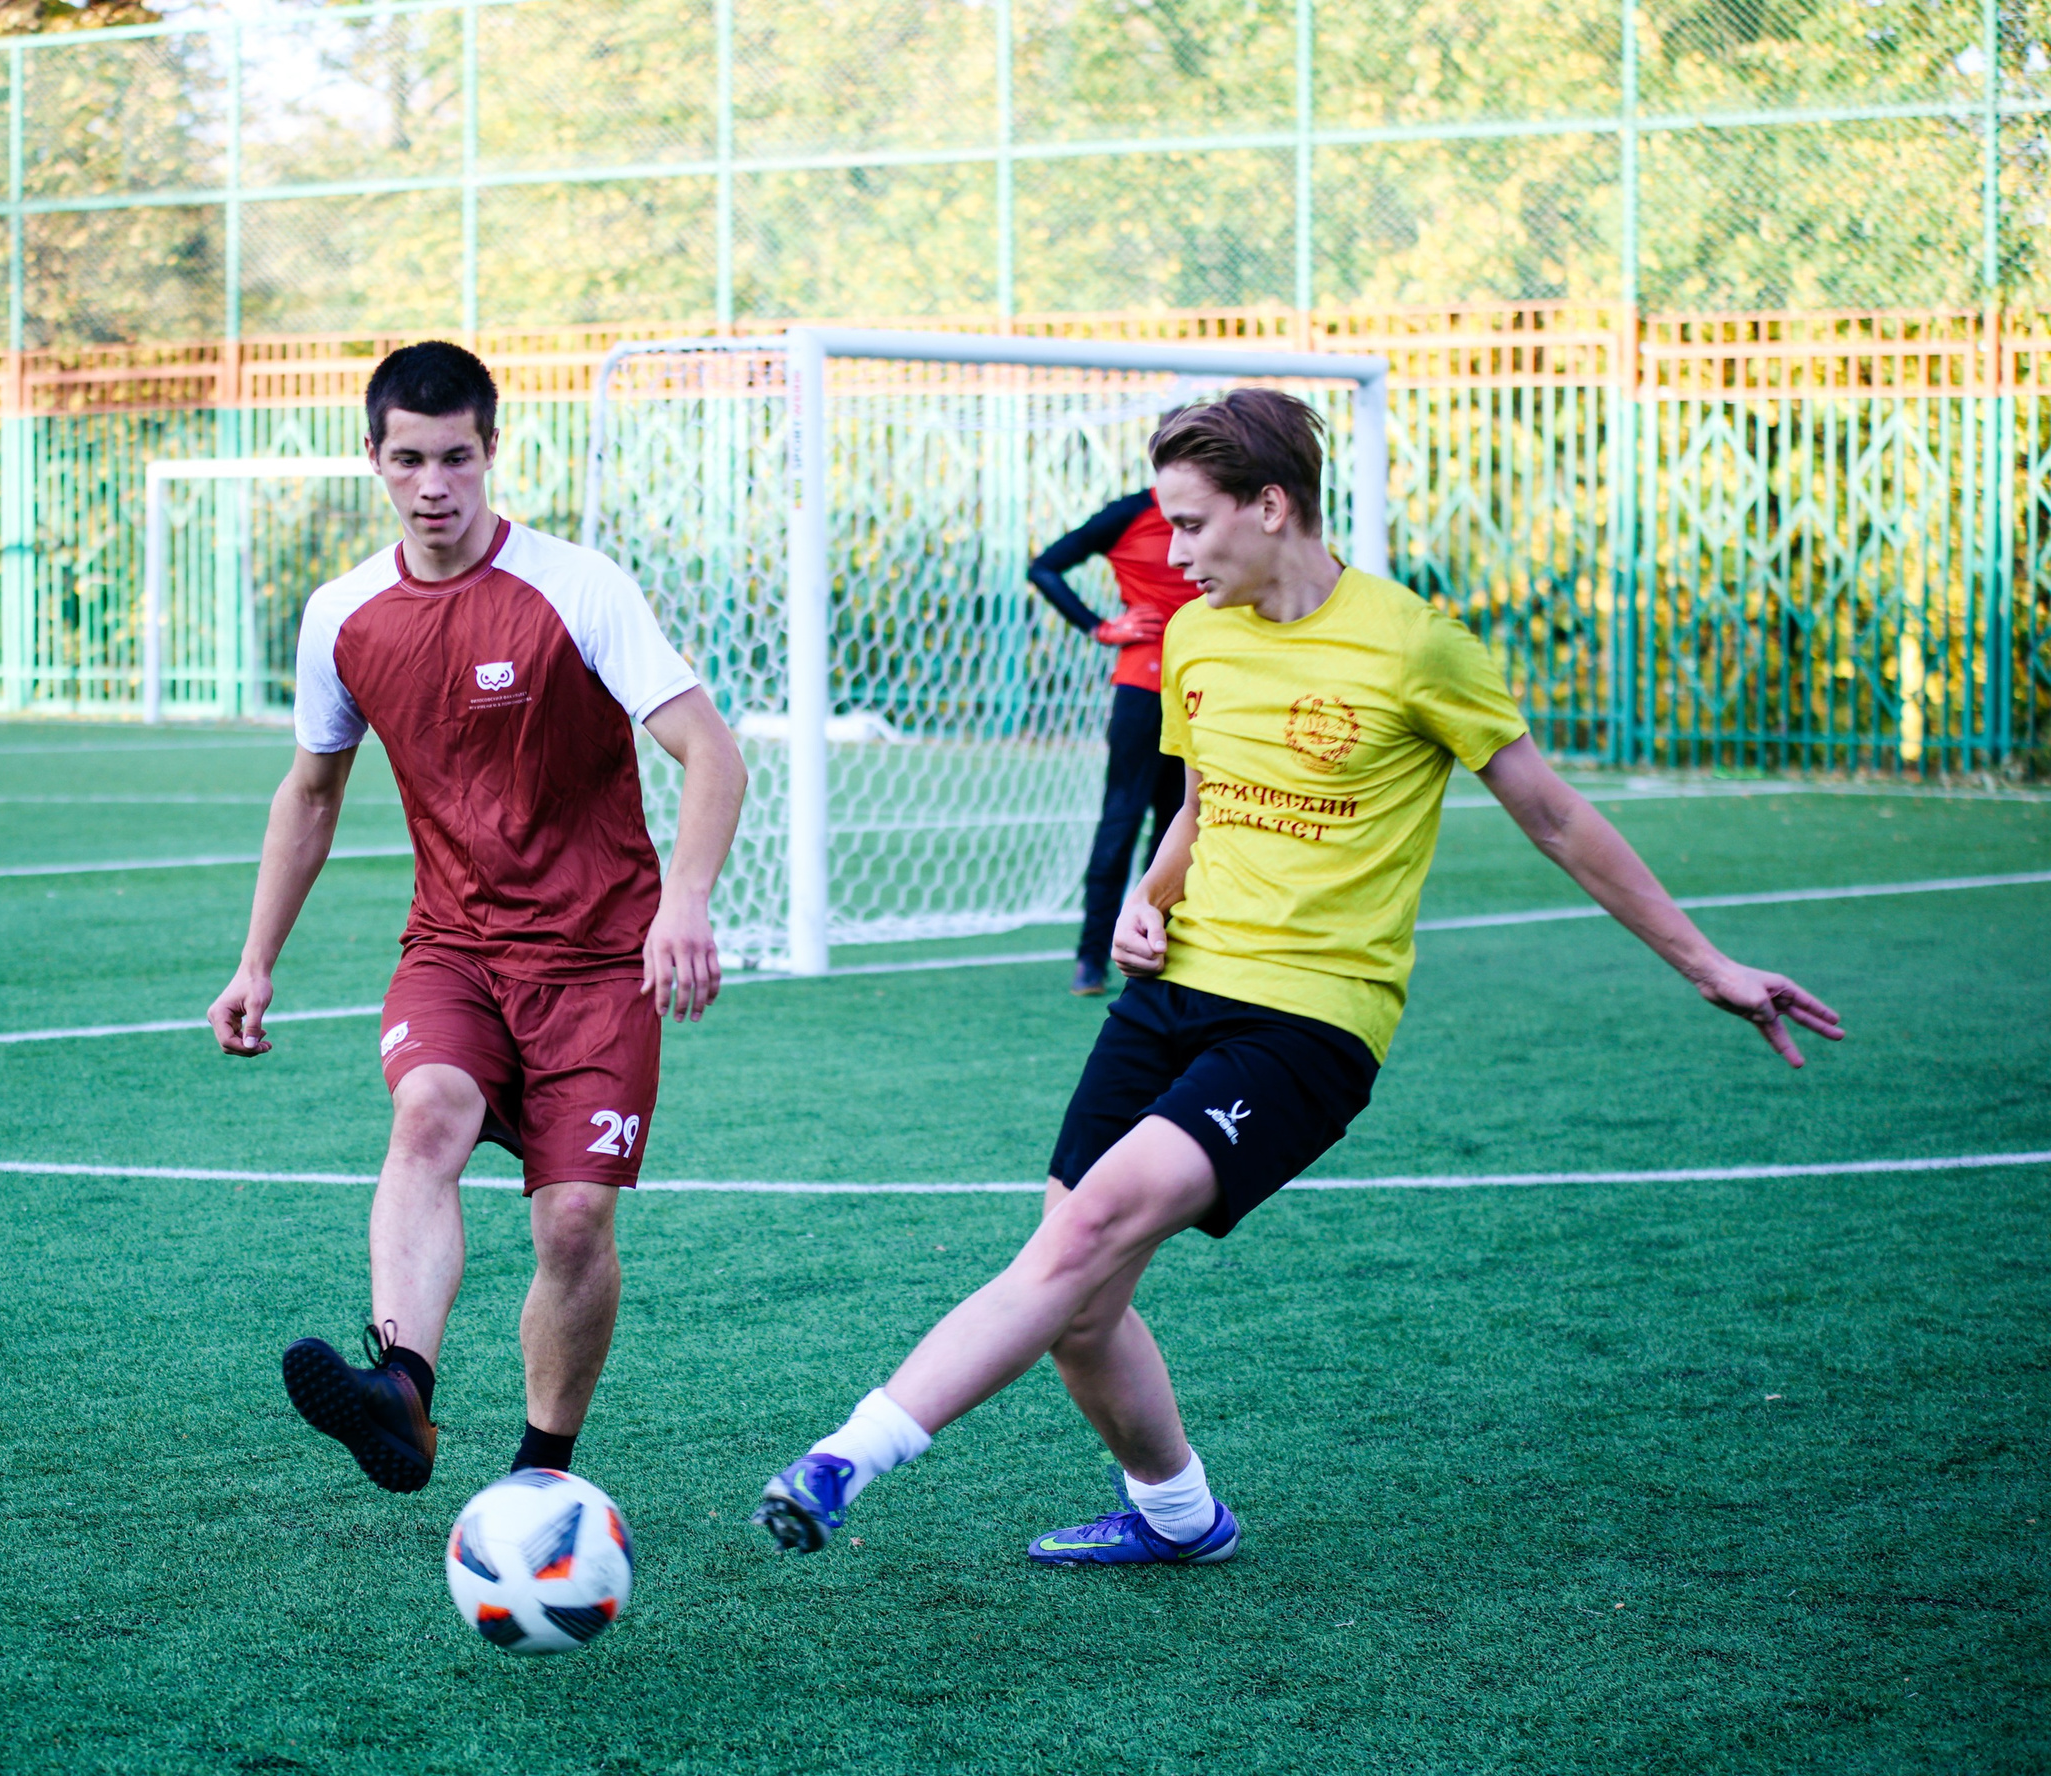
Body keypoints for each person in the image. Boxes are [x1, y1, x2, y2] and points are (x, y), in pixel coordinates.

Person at [753, 389, 1842, 1565]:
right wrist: (1148, 899)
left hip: (1307, 1023)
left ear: (1270, 506)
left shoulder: (1415, 644)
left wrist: (1706, 964)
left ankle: (846, 1458)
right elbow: (1202, 805)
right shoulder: (1196, 635)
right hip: (1171, 994)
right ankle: (1180, 1519)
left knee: (1082, 1239)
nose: (1171, 554)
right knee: (1079, 1299)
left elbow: (1557, 818)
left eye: (1188, 523)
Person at [209, 341, 747, 1493]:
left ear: (492, 451)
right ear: (372, 457)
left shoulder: (577, 587)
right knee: (428, 1115)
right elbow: (311, 793)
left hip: (599, 961)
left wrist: (685, 901)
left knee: (572, 1223)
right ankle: (401, 1391)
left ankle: (541, 1469)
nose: (434, 485)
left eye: (456, 457)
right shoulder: (343, 616)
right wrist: (255, 960)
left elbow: (711, 752)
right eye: (409, 460)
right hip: (454, 947)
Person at [1028, 487, 1203, 997]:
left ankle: (1155, 948)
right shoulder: (1131, 512)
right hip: (1144, 685)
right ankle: (1091, 957)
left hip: (1204, 684)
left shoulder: (1221, 509)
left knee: (1180, 819)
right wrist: (1101, 628)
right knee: (1122, 817)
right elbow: (1044, 568)